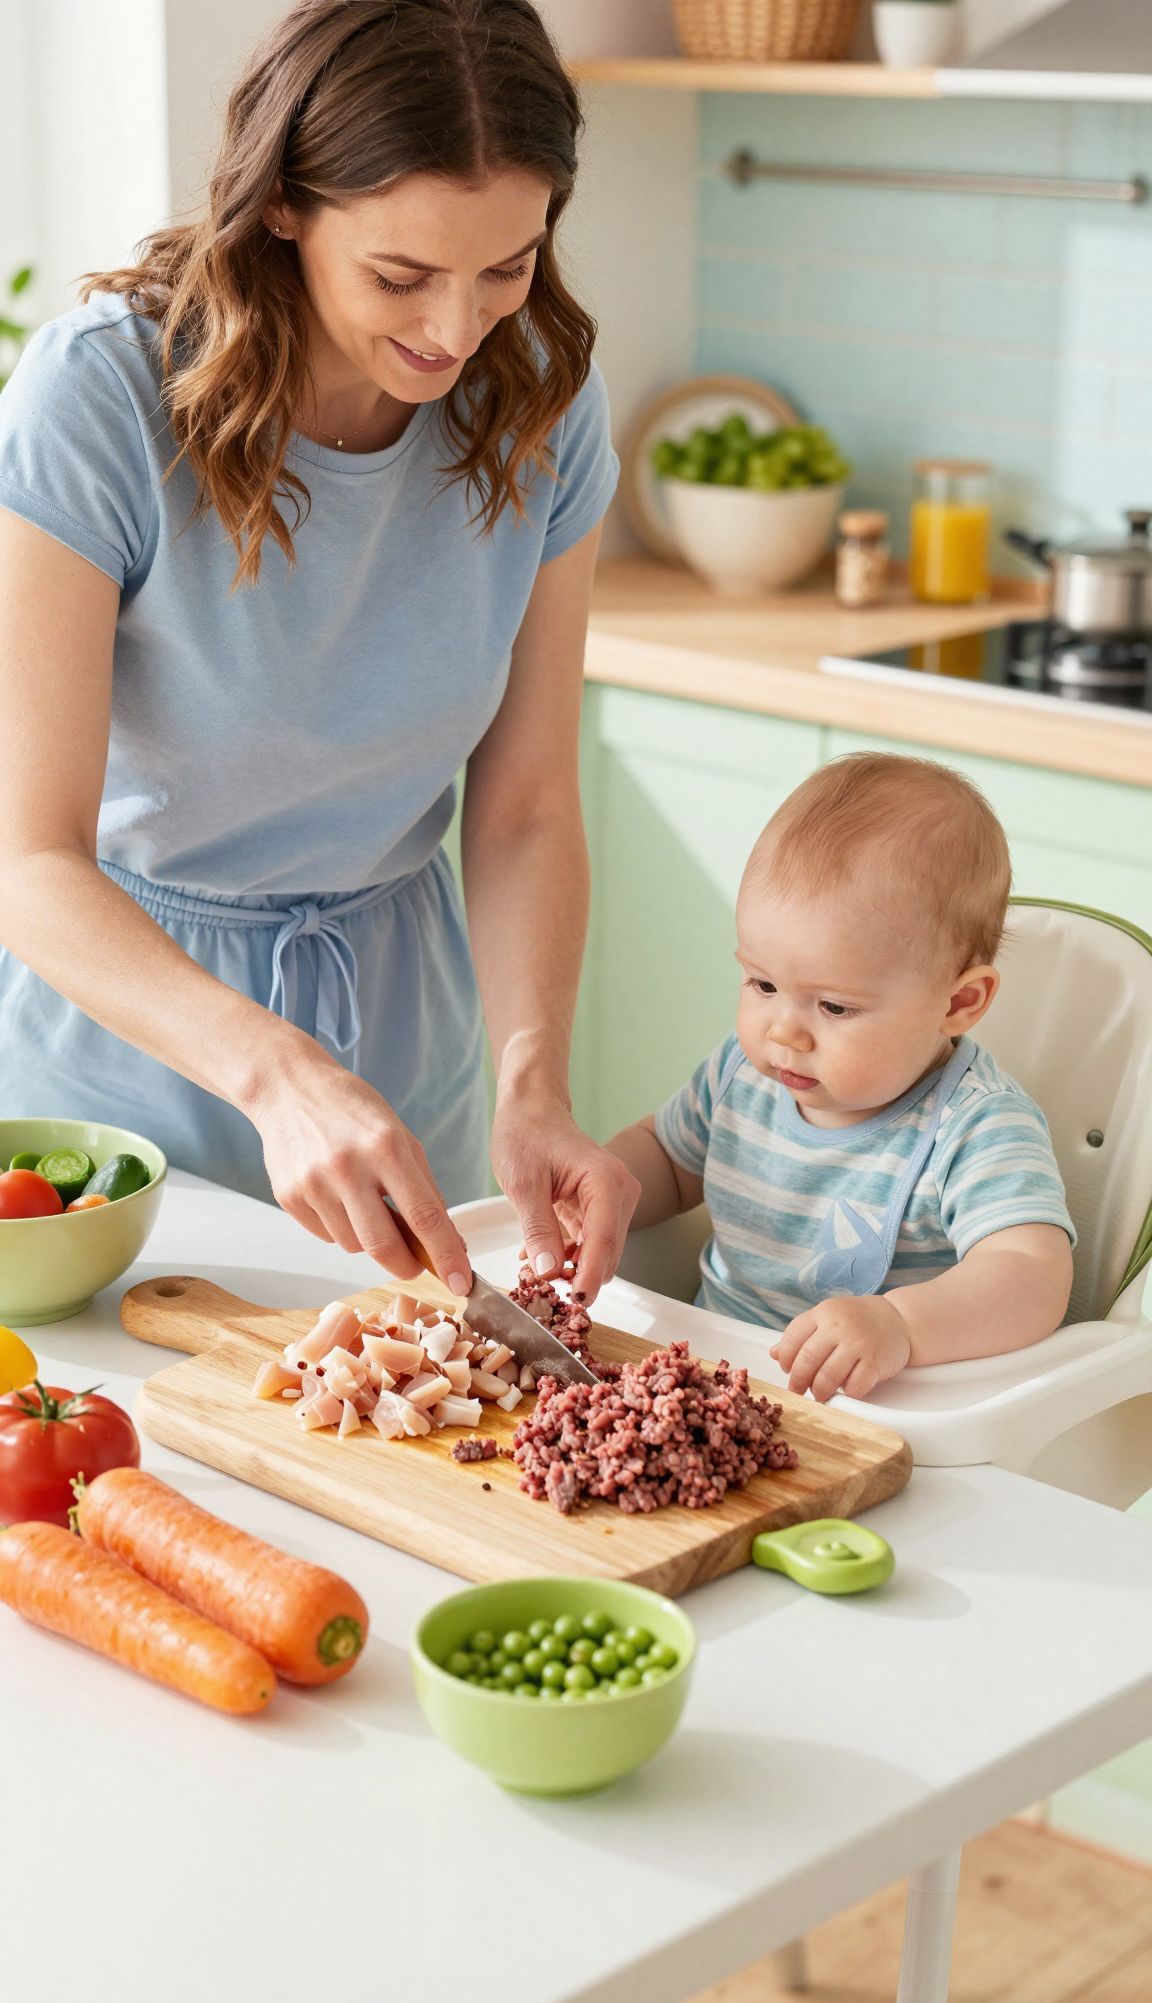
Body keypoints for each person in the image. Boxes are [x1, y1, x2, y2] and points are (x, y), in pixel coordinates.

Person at [0, 0, 638, 1304]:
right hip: (124, 1055)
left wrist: (532, 1083)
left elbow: (522, 808)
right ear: (284, 203)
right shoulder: (105, 400)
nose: (455, 332)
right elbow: (26, 857)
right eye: (403, 277)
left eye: (506, 267)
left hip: (406, 1045)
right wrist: (278, 1071)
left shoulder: (542, 403)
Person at [607, 753, 1075, 1402]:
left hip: (876, 1416)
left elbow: (1031, 1277)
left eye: (833, 1007)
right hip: (700, 1382)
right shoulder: (742, 1074)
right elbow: (667, 1159)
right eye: (762, 984)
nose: (784, 1032)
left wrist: (899, 1323)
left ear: (959, 1004)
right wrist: (601, 1187)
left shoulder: (976, 1125)